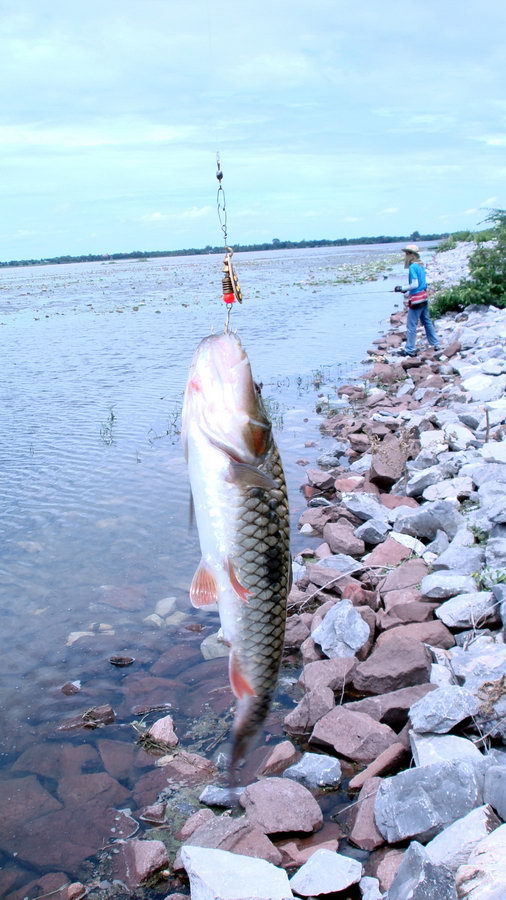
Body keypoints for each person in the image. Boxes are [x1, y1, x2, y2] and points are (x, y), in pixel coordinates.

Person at [394, 243, 441, 357]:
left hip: (416, 299)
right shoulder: (420, 266)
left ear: (411, 254)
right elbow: (421, 284)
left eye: (406, 253)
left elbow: (414, 284)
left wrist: (402, 288)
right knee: (426, 321)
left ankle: (410, 349)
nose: (405, 256)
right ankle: (436, 344)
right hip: (424, 296)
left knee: (411, 325)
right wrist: (405, 289)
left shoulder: (413, 267)